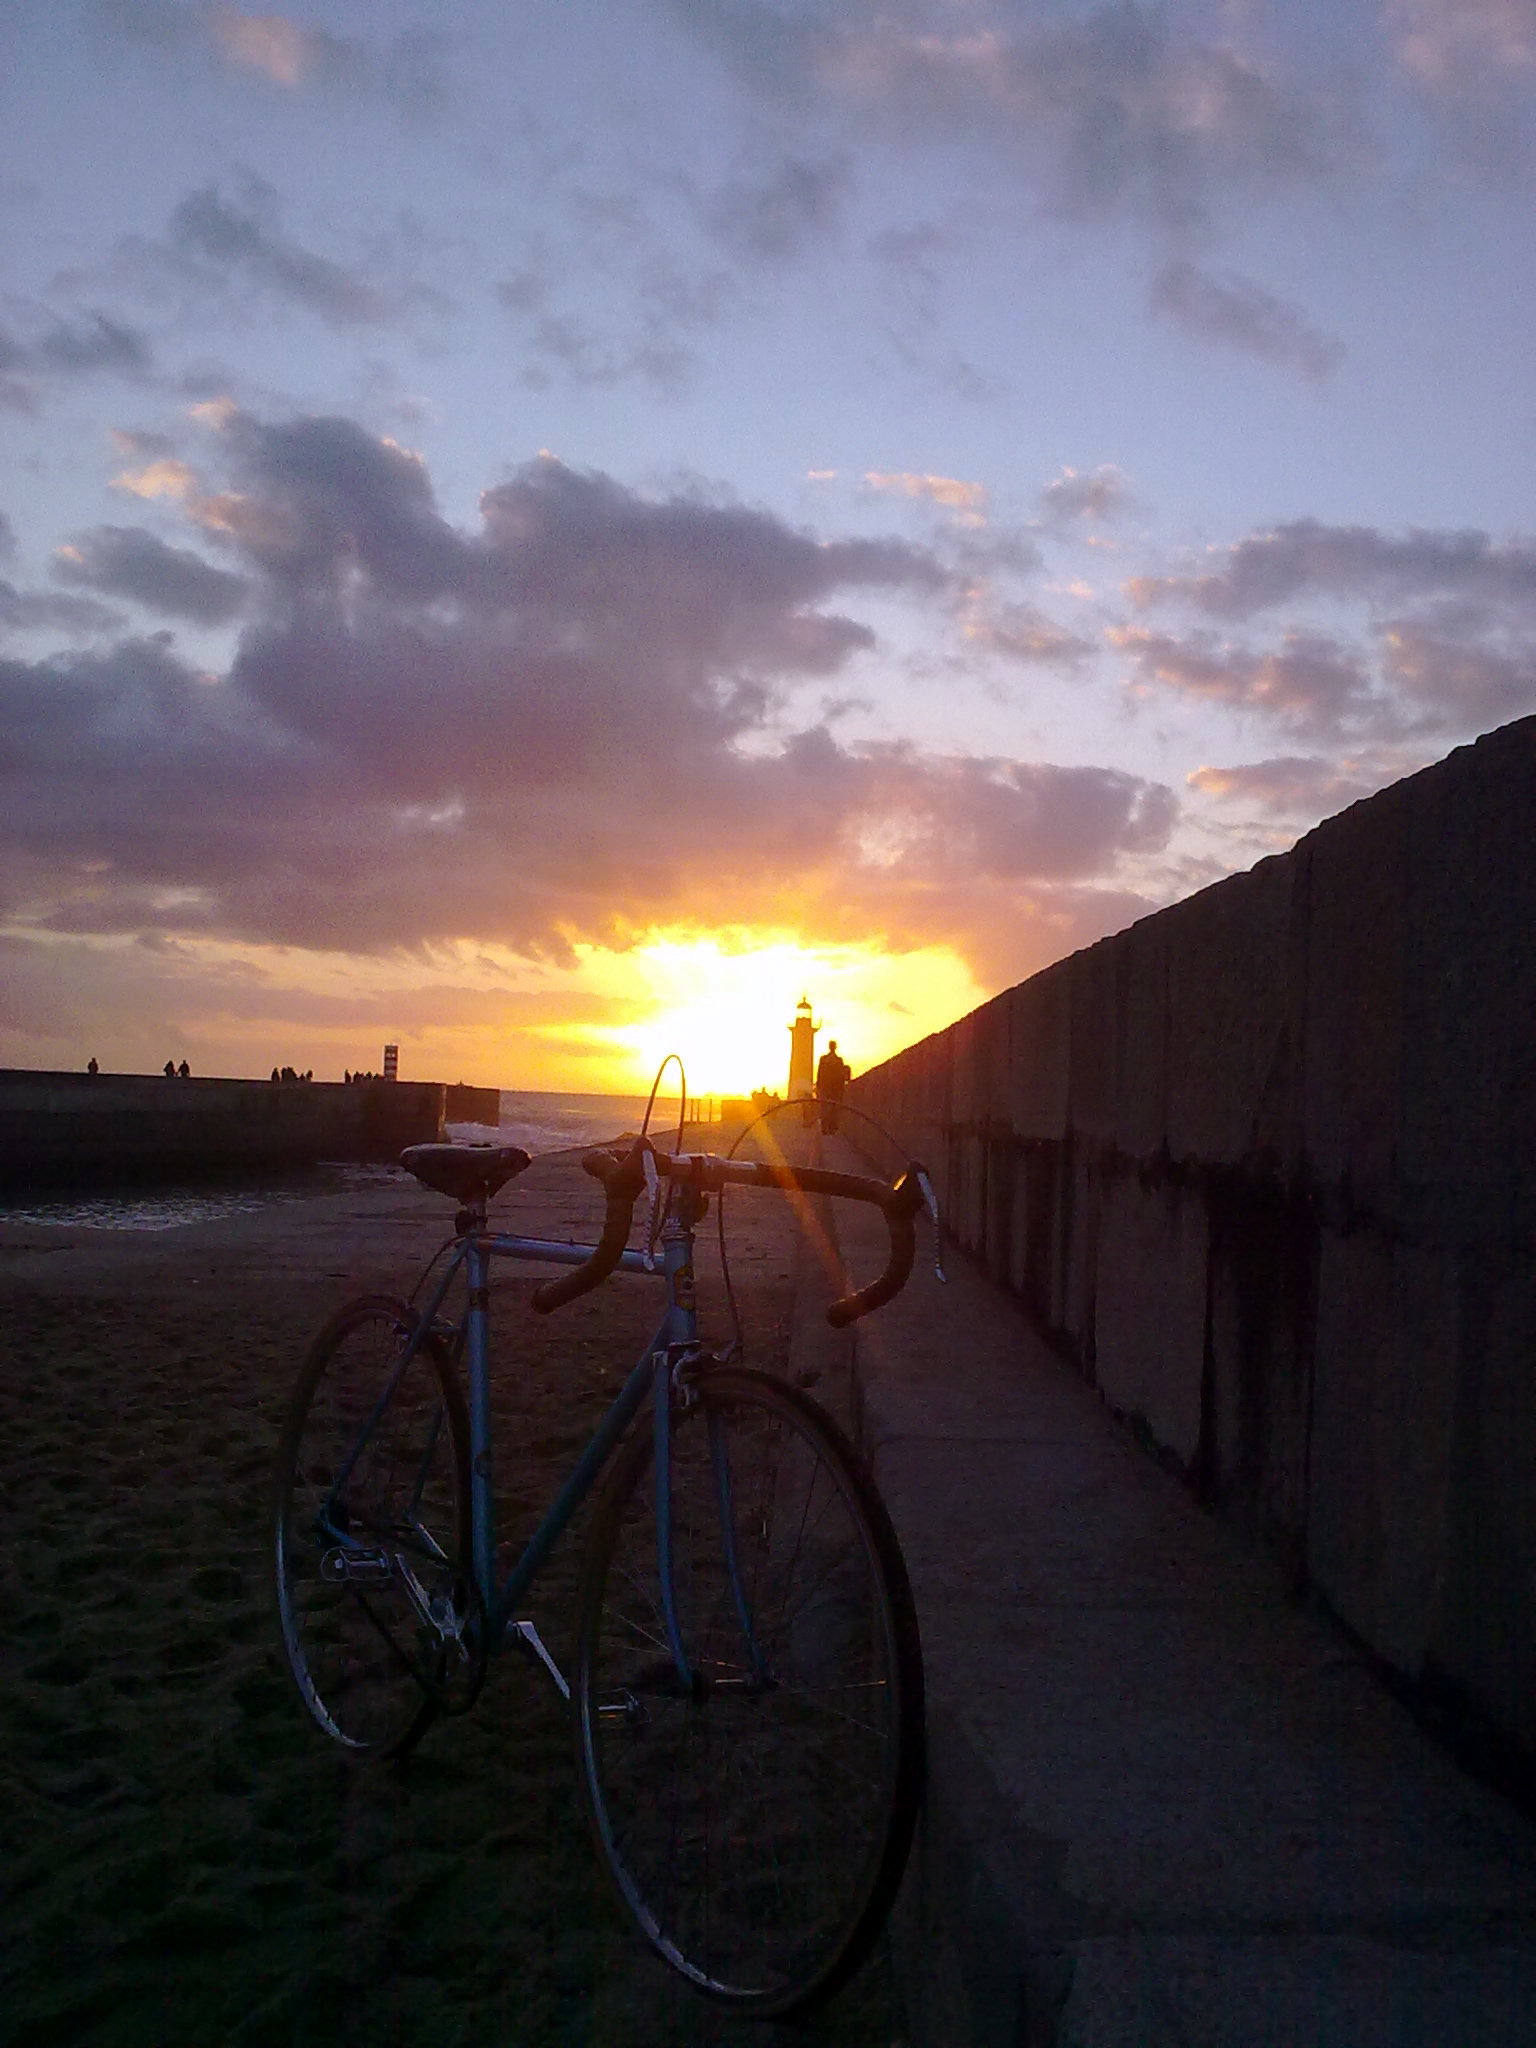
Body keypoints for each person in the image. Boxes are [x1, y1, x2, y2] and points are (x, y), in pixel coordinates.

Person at [815, 1039, 851, 1136]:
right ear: (835, 1047)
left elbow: (819, 1073)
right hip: (834, 1088)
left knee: (826, 1108)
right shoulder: (838, 1060)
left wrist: (818, 1085)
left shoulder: (824, 1059)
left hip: (827, 1088)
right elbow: (841, 1075)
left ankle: (826, 1127)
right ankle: (830, 1127)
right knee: (832, 1108)